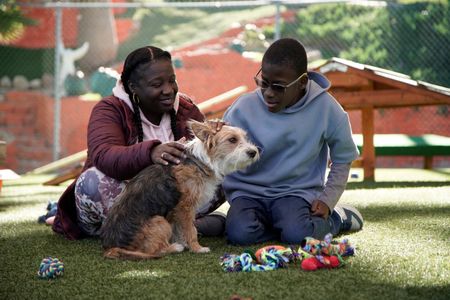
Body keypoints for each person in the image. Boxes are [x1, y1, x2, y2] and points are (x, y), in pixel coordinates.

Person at [52, 46, 226, 240]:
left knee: (224, 169)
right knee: (93, 181)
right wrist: (150, 153)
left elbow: (204, 160)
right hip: (124, 204)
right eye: (156, 84)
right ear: (133, 87)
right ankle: (171, 230)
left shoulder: (185, 107)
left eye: (172, 80)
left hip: (167, 201)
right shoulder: (109, 109)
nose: (168, 90)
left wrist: (214, 137)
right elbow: (104, 155)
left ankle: (170, 229)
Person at [222, 38, 363, 245]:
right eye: (264, 83)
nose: (269, 93)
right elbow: (220, 152)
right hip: (247, 193)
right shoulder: (242, 108)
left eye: (279, 87)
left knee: (298, 236)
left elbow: (343, 158)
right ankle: (281, 227)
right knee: (240, 235)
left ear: (302, 82)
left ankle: (338, 219)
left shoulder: (327, 109)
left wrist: (327, 201)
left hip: (295, 193)